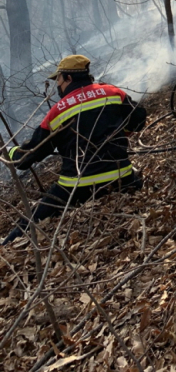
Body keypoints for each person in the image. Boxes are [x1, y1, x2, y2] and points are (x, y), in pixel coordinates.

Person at [2, 55, 146, 245]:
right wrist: (122, 133)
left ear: (69, 78)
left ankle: (6, 245)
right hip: (122, 176)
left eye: (58, 80)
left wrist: (9, 152)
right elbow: (139, 119)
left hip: (77, 186)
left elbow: (26, 158)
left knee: (31, 218)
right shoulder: (112, 92)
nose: (57, 86)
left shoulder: (58, 111)